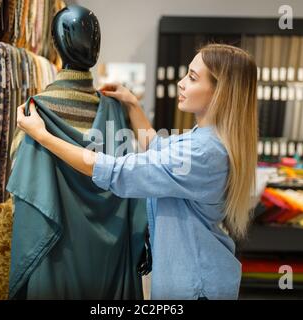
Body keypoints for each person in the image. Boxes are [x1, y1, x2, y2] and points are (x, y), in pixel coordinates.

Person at [15, 43, 258, 299]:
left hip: (195, 284)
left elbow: (116, 171)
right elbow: (157, 146)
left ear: (221, 92)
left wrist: (42, 136)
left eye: (193, 78)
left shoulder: (202, 152)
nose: (181, 83)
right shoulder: (205, 140)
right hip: (197, 273)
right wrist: (132, 104)